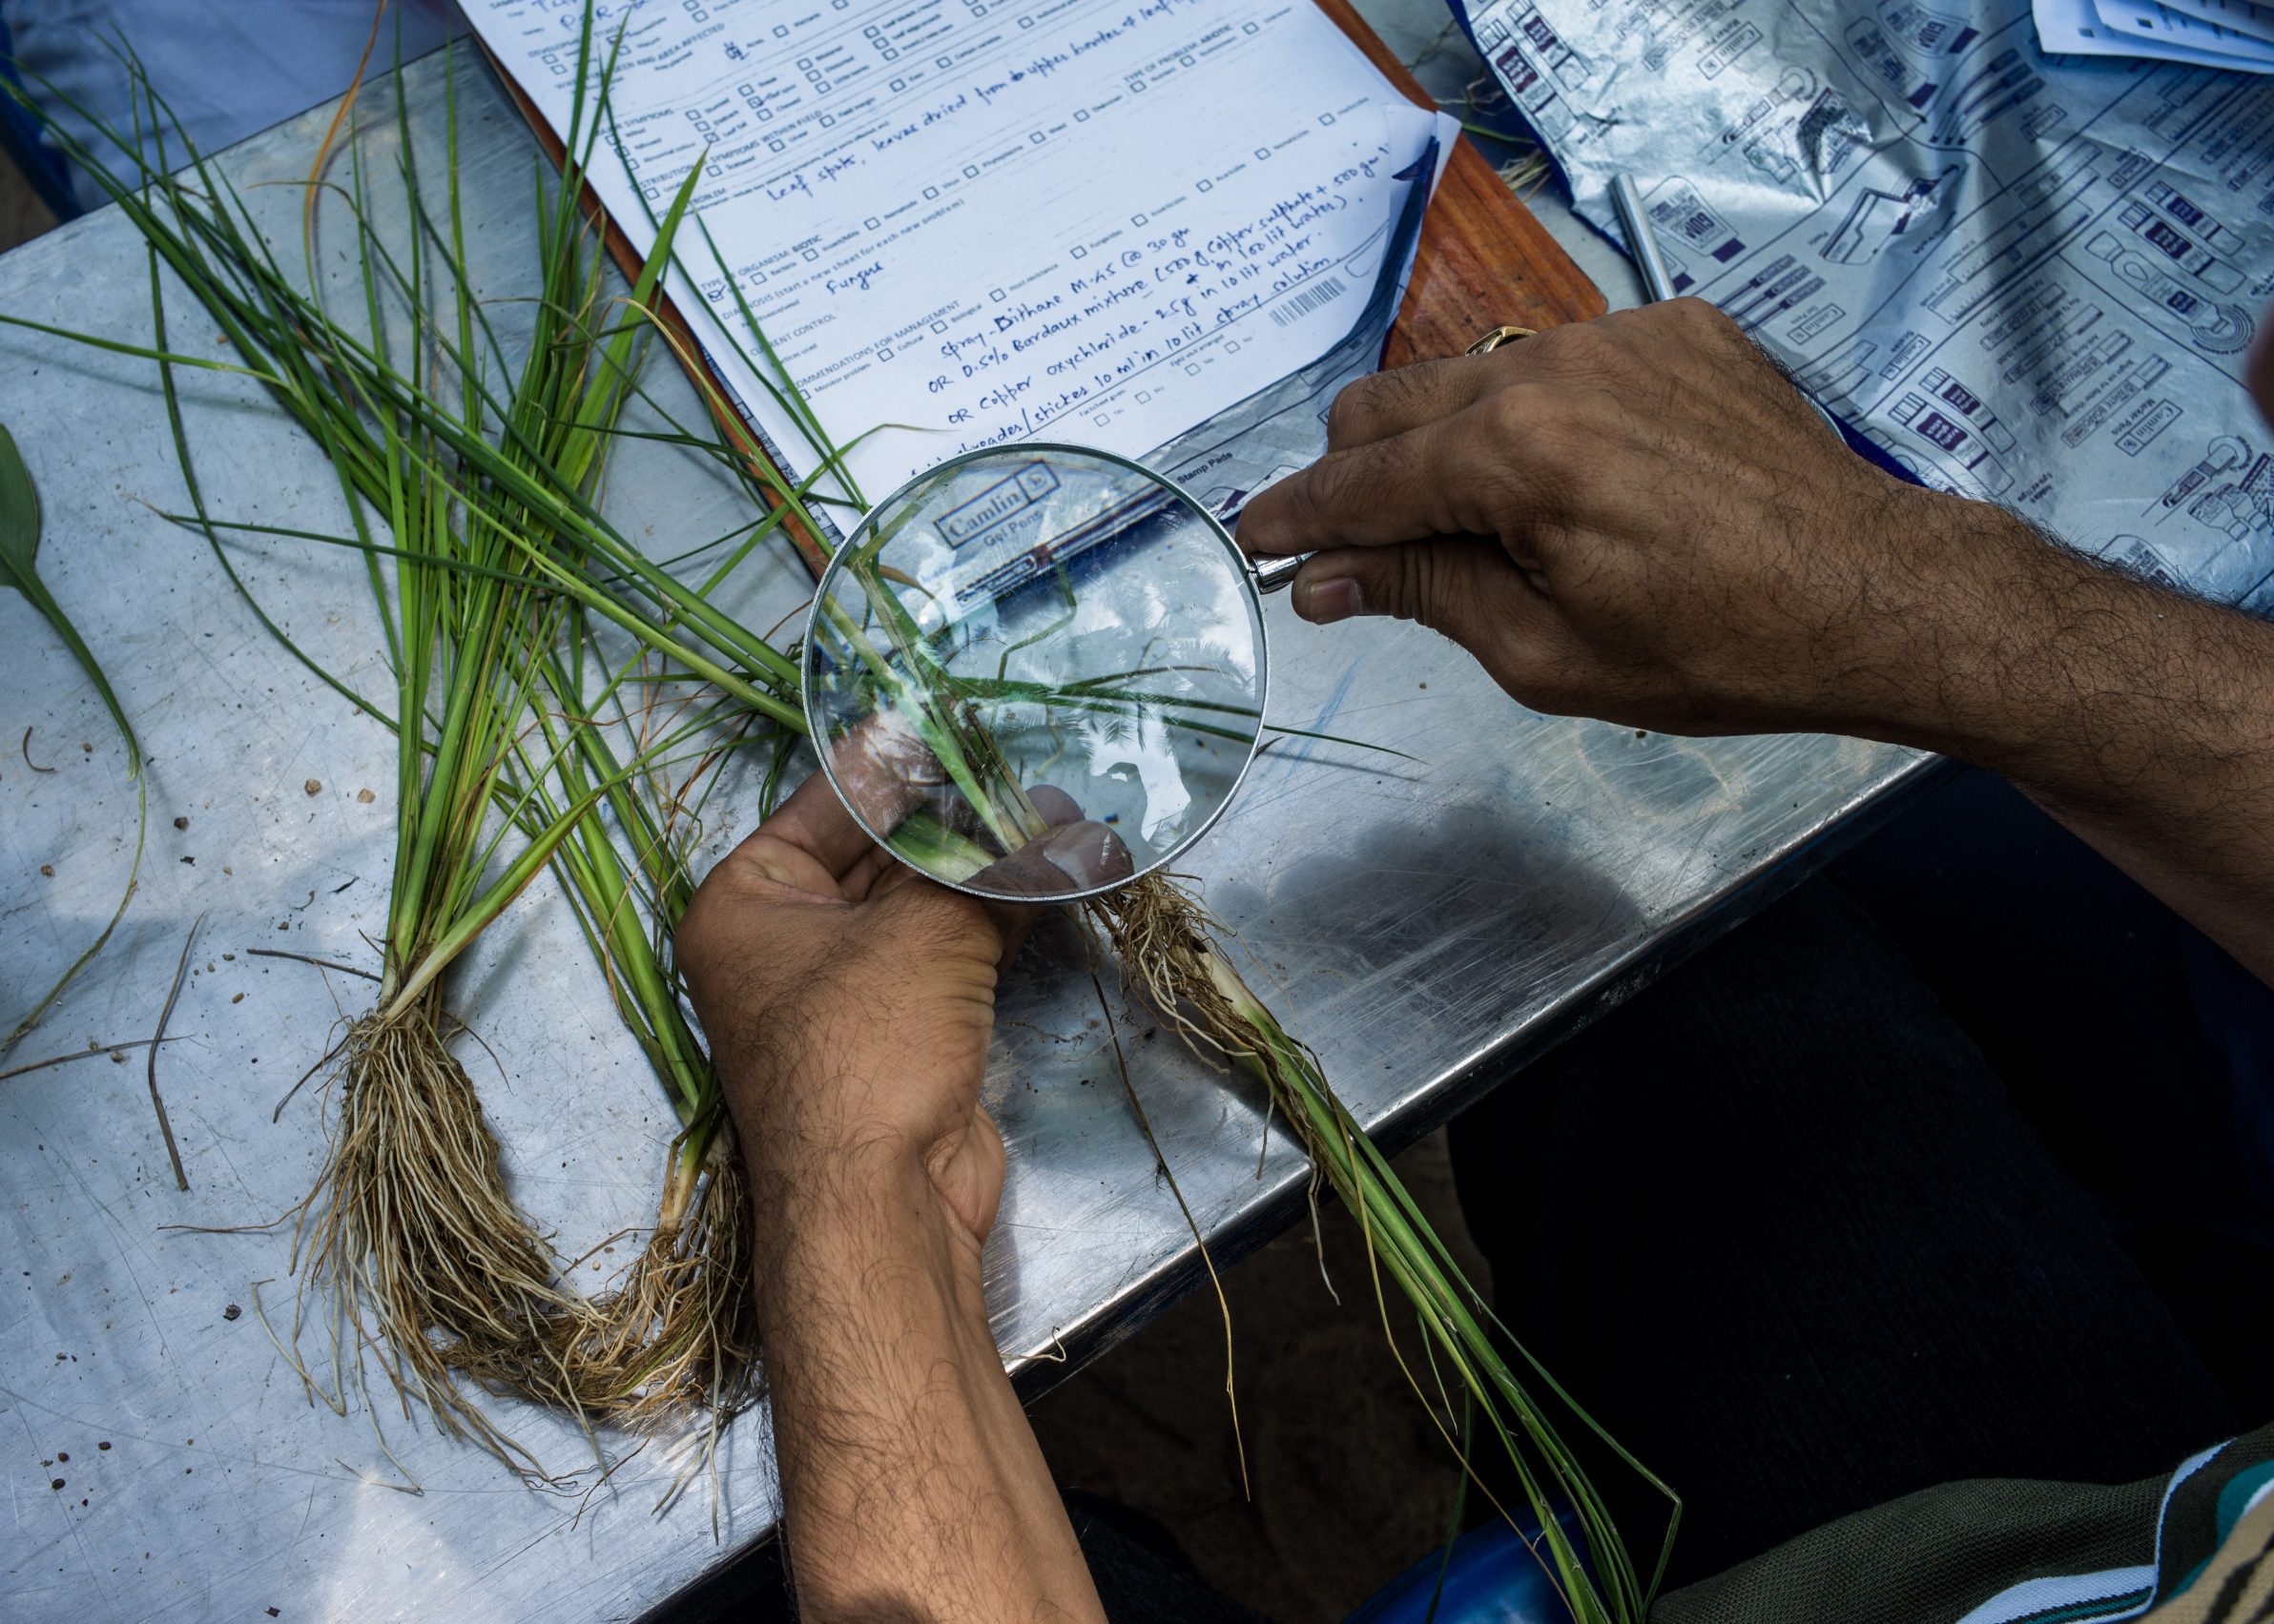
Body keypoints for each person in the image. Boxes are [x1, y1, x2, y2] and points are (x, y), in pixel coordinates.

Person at [673, 298, 2274, 1622]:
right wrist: (1896, 581)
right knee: (1685, 951)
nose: (2257, 353)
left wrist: (858, 1174)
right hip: (2116, 1535)